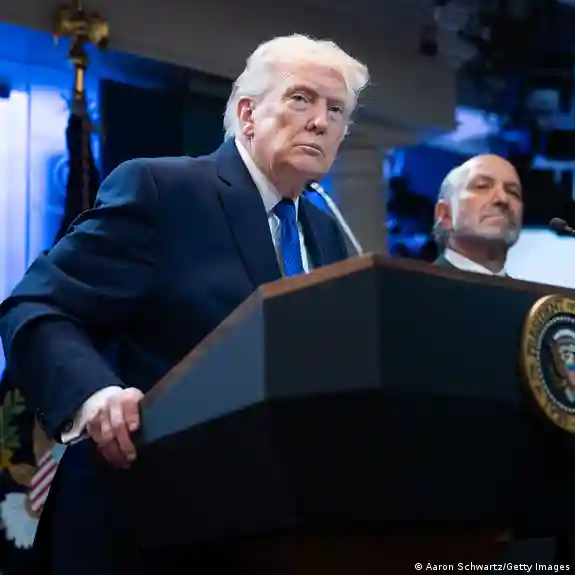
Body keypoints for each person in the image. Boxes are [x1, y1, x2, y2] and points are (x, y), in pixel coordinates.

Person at [0, 34, 369, 574]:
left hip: (282, 527)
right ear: (248, 114)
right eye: (301, 99)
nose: (319, 121)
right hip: (153, 528)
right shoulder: (163, 190)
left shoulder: (327, 230)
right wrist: (94, 397)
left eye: (336, 110)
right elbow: (37, 306)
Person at [432, 154, 523, 275]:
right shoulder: (413, 285)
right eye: (482, 186)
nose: (503, 198)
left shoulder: (535, 289)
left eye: (513, 192)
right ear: (445, 214)